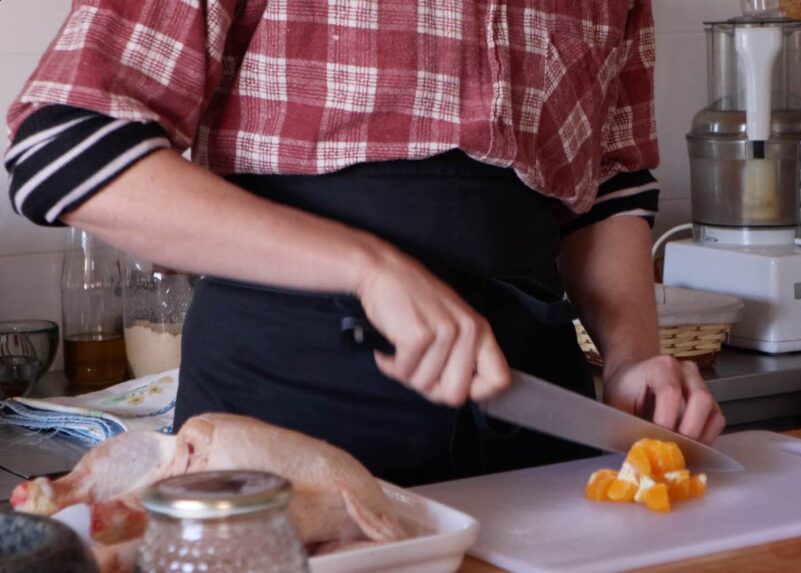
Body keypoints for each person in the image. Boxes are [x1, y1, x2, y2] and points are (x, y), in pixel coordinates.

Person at [4, 0, 725, 486]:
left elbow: (608, 185)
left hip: (539, 448)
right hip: (283, 444)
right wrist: (367, 266)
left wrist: (632, 357)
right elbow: (64, 151)